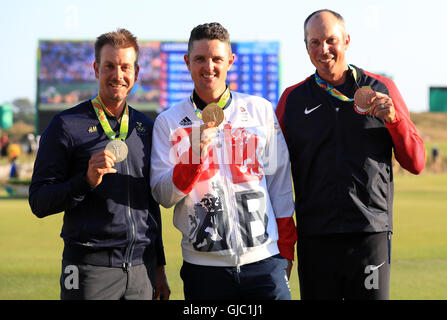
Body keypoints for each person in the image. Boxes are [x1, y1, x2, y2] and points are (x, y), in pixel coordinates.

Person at [276, 9, 425, 300]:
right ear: (306, 46)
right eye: (314, 42)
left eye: (331, 40)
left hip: (369, 234)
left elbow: (416, 162)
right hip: (316, 237)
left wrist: (394, 119)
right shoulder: (292, 100)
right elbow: (273, 174)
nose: (324, 49)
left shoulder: (381, 89)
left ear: (346, 40)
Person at [150, 22, 296, 300]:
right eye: (200, 59)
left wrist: (286, 251)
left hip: (265, 262)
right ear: (187, 62)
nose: (209, 67)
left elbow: (280, 184)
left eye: (217, 59)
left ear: (230, 61)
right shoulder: (167, 122)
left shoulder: (260, 110)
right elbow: (162, 195)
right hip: (204, 269)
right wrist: (193, 156)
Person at [29, 28, 170, 300]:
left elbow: (150, 204)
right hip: (88, 271)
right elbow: (39, 201)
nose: (118, 75)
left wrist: (159, 266)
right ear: (96, 68)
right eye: (109, 66)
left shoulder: (146, 127)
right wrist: (85, 181)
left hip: (142, 271)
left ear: (136, 73)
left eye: (125, 67)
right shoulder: (65, 125)